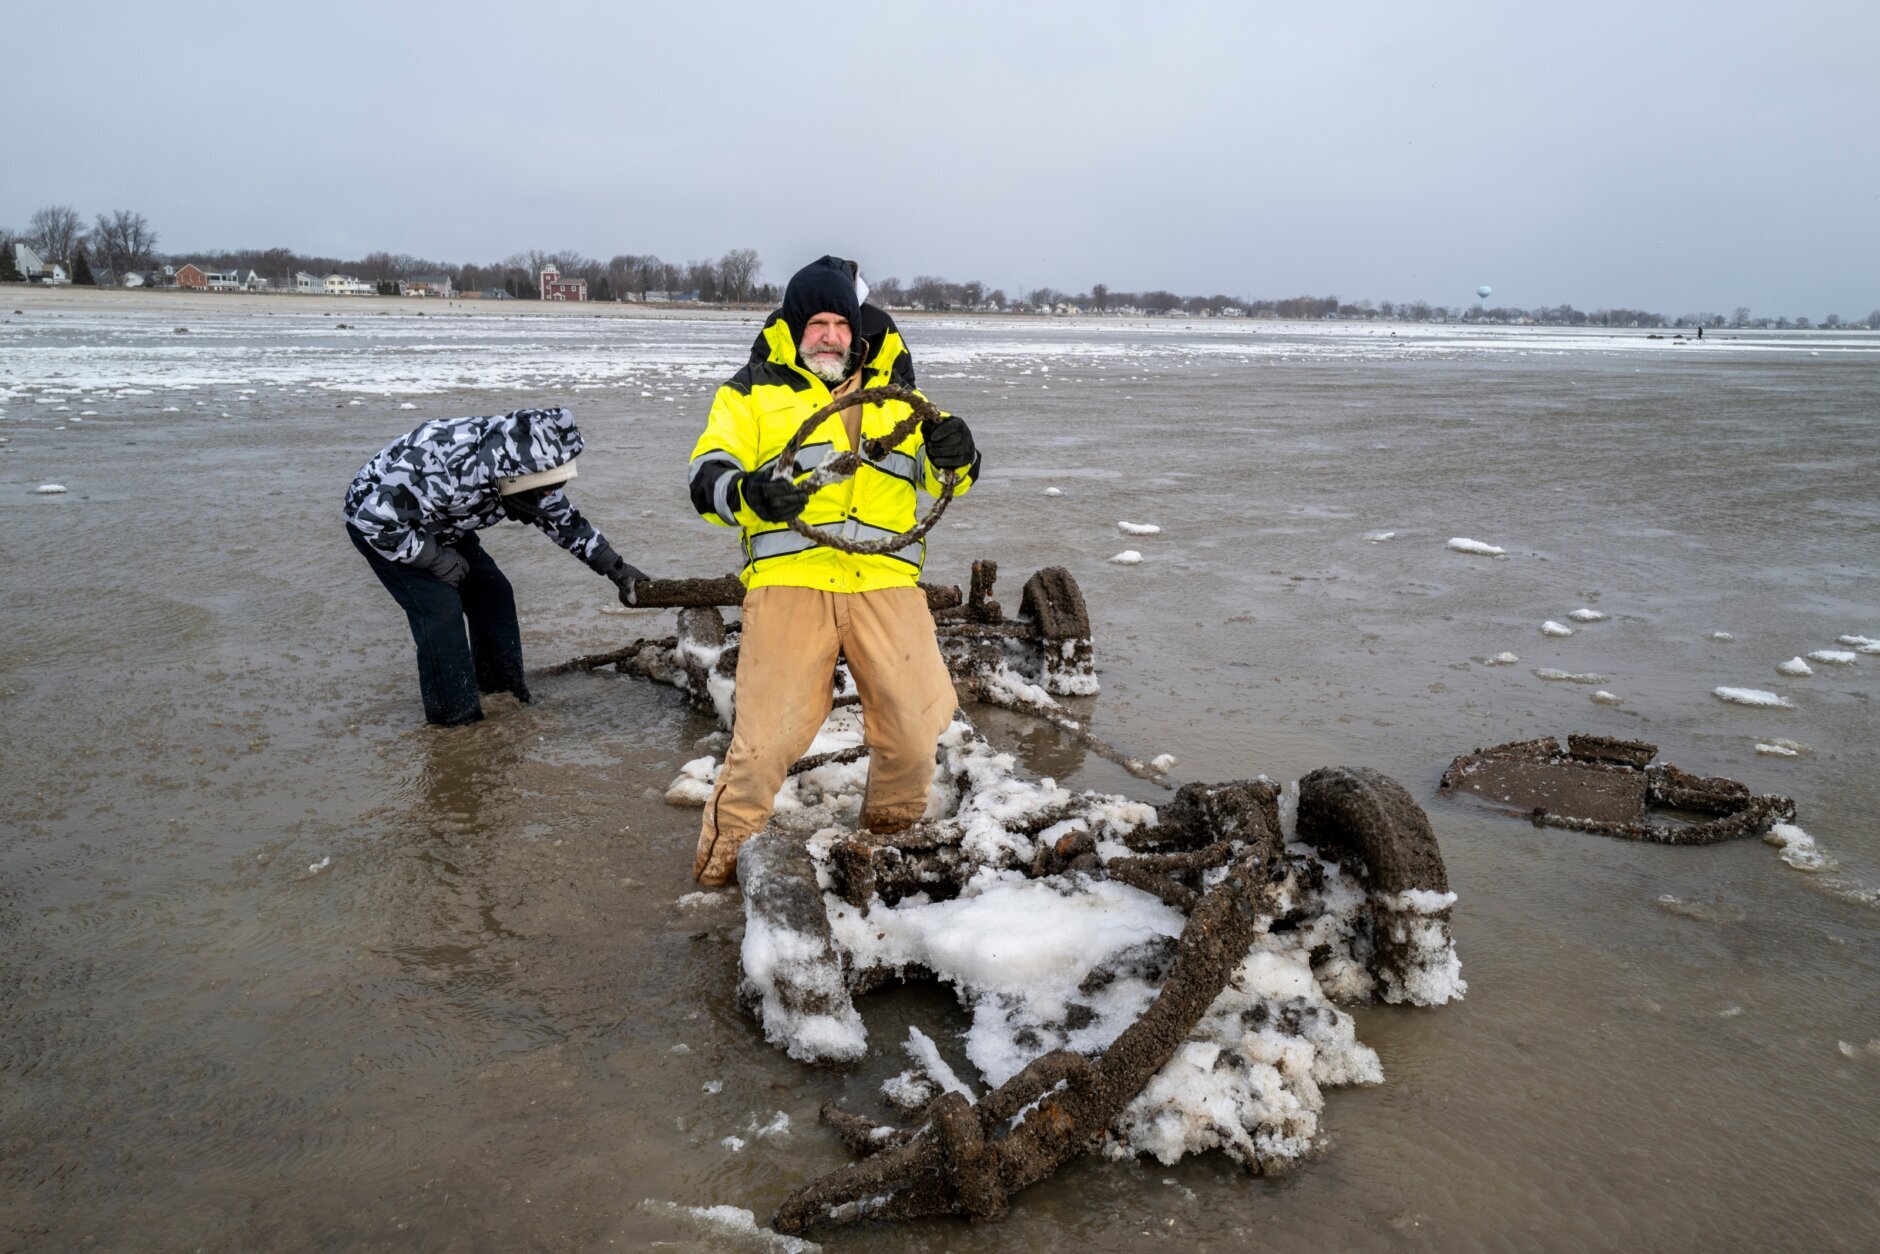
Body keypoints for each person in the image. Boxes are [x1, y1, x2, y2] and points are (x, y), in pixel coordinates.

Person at [686, 256, 982, 885]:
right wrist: (749, 492)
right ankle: (718, 872)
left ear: (857, 331)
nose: (829, 336)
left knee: (914, 729)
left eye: (840, 324)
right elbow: (706, 474)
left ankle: (883, 851)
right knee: (764, 744)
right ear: (795, 329)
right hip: (790, 580)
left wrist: (960, 455)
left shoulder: (902, 399)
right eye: (816, 324)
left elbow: (944, 477)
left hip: (885, 581)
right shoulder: (749, 393)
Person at [345, 405, 645, 726]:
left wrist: (616, 569)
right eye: (545, 486)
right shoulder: (444, 465)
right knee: (441, 610)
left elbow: (562, 520)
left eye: (557, 483)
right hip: (387, 528)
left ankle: (503, 694)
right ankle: (455, 721)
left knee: (494, 594)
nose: (550, 492)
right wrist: (434, 558)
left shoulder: (530, 462)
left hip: (444, 522)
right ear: (514, 474)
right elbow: (374, 521)